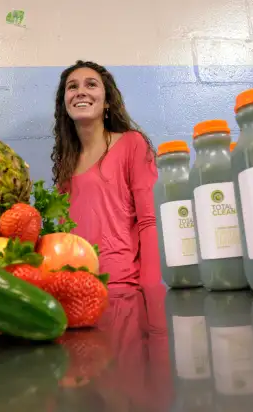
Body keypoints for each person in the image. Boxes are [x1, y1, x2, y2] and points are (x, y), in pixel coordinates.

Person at [50, 60, 161, 288]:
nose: (80, 91)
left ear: (107, 101)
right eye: (72, 87)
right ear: (65, 103)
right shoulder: (66, 165)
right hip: (79, 289)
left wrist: (152, 290)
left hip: (124, 286)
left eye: (91, 85)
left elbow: (149, 221)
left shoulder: (132, 144)